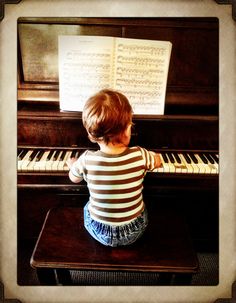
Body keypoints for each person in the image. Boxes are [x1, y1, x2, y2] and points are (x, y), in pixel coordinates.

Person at [66, 89, 162, 247]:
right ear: (126, 131)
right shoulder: (141, 155)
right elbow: (157, 161)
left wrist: (72, 166)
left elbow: (74, 178)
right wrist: (155, 156)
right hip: (134, 231)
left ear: (92, 135)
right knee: (144, 207)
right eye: (130, 125)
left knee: (87, 207)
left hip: (99, 231)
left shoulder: (86, 159)